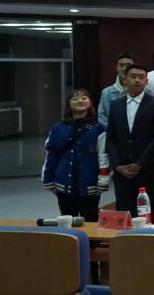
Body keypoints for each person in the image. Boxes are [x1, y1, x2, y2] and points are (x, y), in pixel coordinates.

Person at [105, 64, 154, 218]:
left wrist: (140, 164)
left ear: (146, 81)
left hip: (147, 169)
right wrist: (117, 166)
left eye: (141, 77)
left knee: (147, 214)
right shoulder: (116, 105)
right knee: (124, 213)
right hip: (122, 170)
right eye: (133, 76)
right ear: (125, 79)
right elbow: (111, 138)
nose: (137, 80)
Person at [42, 89, 109, 221]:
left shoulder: (99, 128)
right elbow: (51, 154)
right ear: (69, 104)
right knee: (67, 221)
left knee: (90, 221)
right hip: (63, 183)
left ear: (90, 103)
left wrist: (104, 179)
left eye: (84, 98)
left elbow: (103, 155)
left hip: (90, 184)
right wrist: (47, 179)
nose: (80, 101)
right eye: (75, 98)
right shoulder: (58, 128)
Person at [97, 52, 133, 125]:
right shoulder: (107, 92)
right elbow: (102, 118)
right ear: (116, 68)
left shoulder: (143, 90)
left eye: (128, 65)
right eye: (121, 65)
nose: (124, 68)